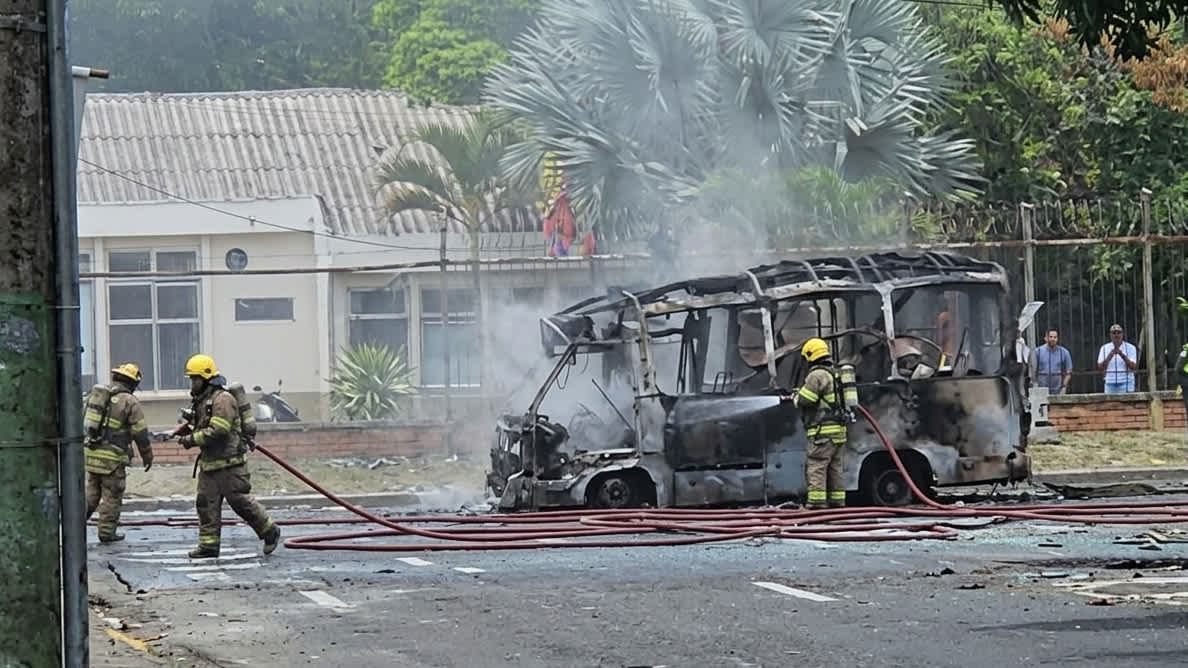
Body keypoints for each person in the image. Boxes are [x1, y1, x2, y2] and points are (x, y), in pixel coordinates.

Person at [177, 353, 280, 559]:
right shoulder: (203, 400)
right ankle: (208, 546)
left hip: (230, 465)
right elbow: (202, 425)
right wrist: (185, 431)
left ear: (206, 378)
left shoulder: (223, 400)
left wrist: (191, 440)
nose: (192, 383)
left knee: (241, 503)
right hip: (210, 465)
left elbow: (219, 430)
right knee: (205, 505)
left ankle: (270, 531)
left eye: (195, 378)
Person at [83, 363, 154, 543]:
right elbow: (140, 432)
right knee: (112, 496)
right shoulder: (129, 401)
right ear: (132, 383)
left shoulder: (97, 396)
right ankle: (107, 533)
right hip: (113, 460)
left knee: (91, 494)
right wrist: (147, 455)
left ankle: (74, 527)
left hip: (92, 455)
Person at [792, 338, 848, 509]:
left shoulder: (816, 375)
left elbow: (806, 400)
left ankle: (816, 504)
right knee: (835, 467)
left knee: (817, 465)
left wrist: (796, 397)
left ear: (810, 355)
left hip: (822, 432)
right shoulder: (834, 372)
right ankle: (837, 502)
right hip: (839, 431)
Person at [1096, 324, 1138, 393]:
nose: (1116, 335)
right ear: (1110, 335)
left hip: (1126, 381)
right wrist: (1110, 356)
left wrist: (1122, 355)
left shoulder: (1130, 347)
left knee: (1127, 403)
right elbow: (1100, 367)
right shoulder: (1104, 348)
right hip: (1110, 382)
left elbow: (1133, 366)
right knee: (1109, 403)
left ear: (1122, 334)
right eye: (1114, 333)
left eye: (1119, 332)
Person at [1034, 329, 1074, 395]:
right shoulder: (1038, 352)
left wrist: (1064, 387)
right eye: (1051, 337)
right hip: (1041, 389)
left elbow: (1069, 372)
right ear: (1046, 338)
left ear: (1057, 339)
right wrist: (1035, 386)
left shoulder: (1064, 352)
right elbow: (1032, 370)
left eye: (1055, 337)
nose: (1053, 339)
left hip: (1058, 389)